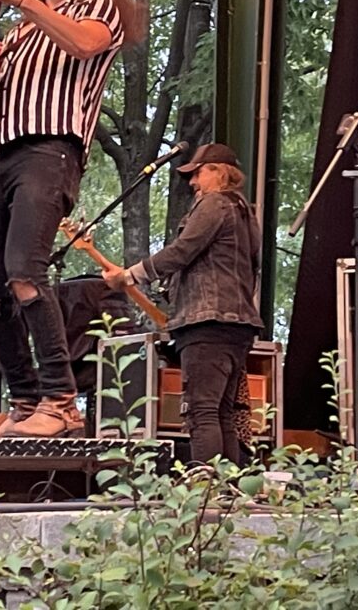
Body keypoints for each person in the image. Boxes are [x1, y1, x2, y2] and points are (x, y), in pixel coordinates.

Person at [0, 0, 137, 438]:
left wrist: (25, 1)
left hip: (49, 149)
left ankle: (62, 399)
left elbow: (85, 43)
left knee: (25, 272)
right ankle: (26, 402)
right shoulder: (17, 34)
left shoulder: (97, 10)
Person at [102, 143, 263, 466]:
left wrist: (130, 276)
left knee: (201, 410)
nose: (192, 182)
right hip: (238, 325)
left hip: (206, 323)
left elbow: (181, 250)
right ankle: (228, 492)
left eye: (198, 173)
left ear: (218, 172)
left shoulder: (214, 204)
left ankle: (205, 495)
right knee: (224, 413)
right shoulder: (247, 214)